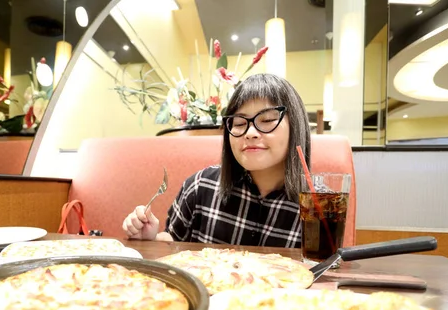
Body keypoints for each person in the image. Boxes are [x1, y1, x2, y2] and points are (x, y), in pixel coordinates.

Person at [122, 73, 311, 247]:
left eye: (268, 120)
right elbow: (174, 241)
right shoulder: (200, 186)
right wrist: (150, 238)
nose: (250, 133)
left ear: (296, 126)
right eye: (239, 123)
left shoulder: (320, 205)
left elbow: (324, 269)